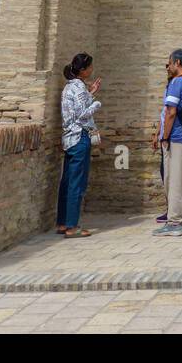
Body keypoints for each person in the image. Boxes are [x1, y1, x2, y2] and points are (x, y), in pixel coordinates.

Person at [152, 48, 182, 236]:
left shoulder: (177, 82)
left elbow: (171, 112)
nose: (169, 67)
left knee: (174, 182)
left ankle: (173, 224)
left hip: (179, 138)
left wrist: (164, 137)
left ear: (178, 63)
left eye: (170, 63)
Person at [57, 52, 101, 238]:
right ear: (83, 70)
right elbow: (83, 114)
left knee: (67, 182)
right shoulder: (79, 88)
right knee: (77, 183)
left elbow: (76, 110)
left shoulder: (69, 88)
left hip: (69, 139)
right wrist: (97, 103)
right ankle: (72, 226)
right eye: (89, 67)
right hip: (79, 138)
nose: (91, 70)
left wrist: (90, 94)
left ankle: (62, 222)